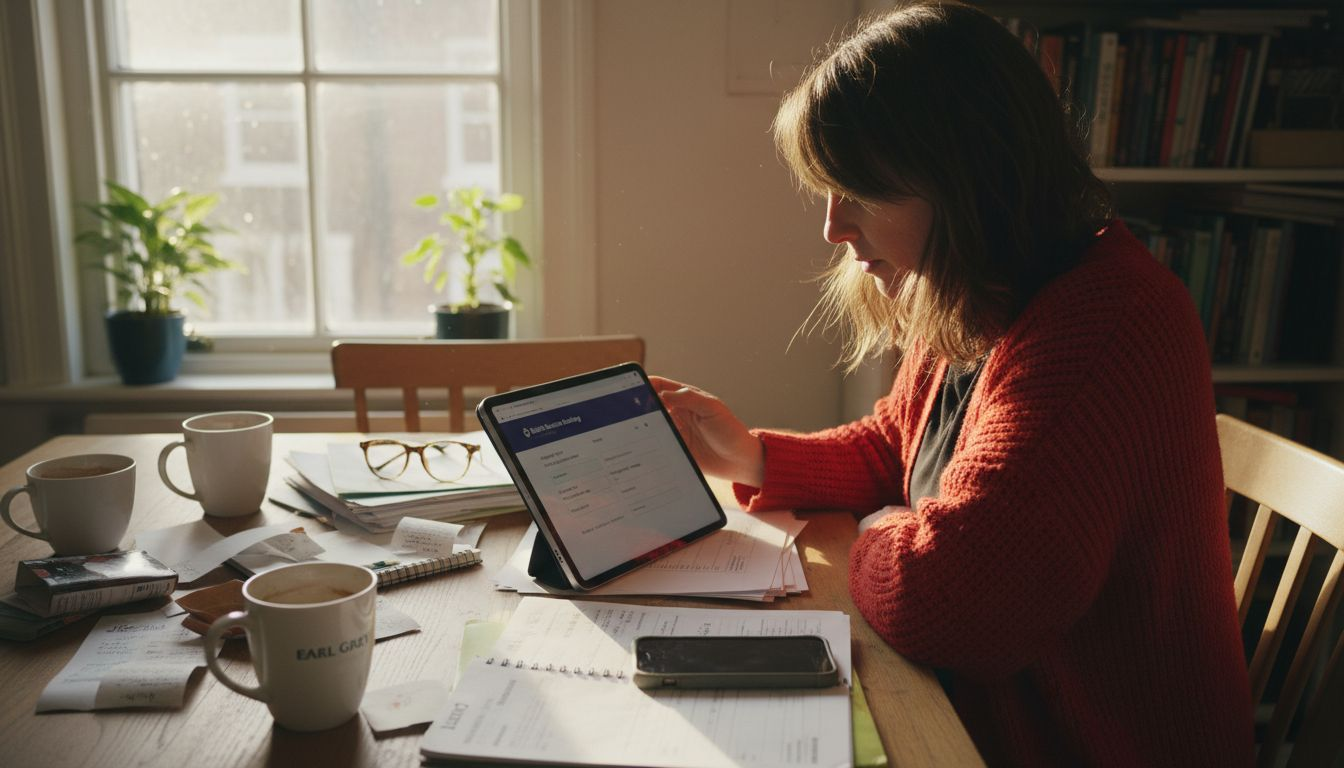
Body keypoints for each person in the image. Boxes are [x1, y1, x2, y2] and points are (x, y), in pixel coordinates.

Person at [651, 2, 1254, 765]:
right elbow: (902, 445)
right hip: (980, 709)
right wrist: (756, 459)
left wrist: (876, 531)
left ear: (966, 177)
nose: (833, 228)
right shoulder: (984, 284)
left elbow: (954, 607)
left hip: (1074, 741)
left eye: (859, 192)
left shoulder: (1102, 325)